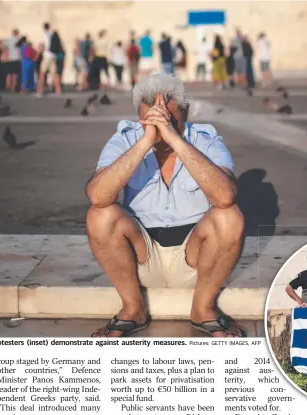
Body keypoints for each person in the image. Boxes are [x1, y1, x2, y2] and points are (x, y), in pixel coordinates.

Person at [86, 73, 245, 338]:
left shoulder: (207, 139)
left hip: (196, 260)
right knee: (100, 215)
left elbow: (225, 196)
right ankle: (132, 308)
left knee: (230, 215)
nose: (161, 126)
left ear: (185, 112)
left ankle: (203, 309)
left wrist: (174, 140)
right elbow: (98, 196)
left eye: (168, 119)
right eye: (152, 120)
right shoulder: (126, 138)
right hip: (140, 259)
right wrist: (146, 141)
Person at [36, 22, 58, 96]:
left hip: (47, 56)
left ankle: (39, 91)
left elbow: (43, 45)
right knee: (54, 74)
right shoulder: (52, 34)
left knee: (42, 73)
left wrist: (38, 53)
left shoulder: (44, 34)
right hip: (53, 56)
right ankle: (58, 91)